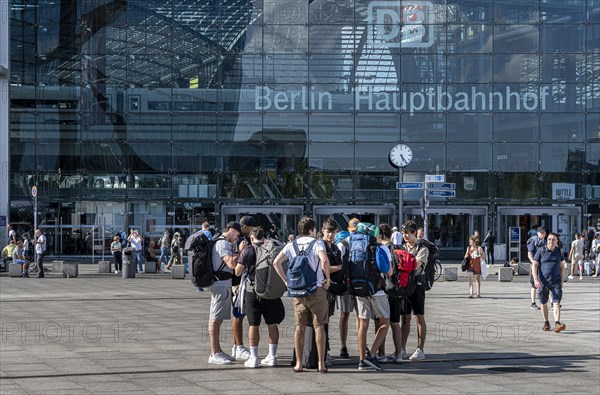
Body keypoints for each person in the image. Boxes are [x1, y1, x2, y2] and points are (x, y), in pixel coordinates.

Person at [273, 216, 330, 373]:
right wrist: (328, 279)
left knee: (300, 327)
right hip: (316, 289)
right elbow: (324, 261)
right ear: (311, 229)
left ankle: (298, 363)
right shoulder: (318, 243)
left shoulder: (291, 245)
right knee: (319, 326)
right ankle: (321, 364)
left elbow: (276, 263)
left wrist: (286, 282)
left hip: (298, 291)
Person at [235, 226, 285, 368]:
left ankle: (254, 357)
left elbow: (237, 272)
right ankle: (272, 356)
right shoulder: (272, 249)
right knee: (272, 324)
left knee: (254, 325)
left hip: (253, 292)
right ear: (264, 237)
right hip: (271, 292)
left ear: (251, 238)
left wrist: (240, 252)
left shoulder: (248, 250)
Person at [208, 221, 246, 365]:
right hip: (220, 285)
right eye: (237, 234)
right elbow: (231, 264)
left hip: (222, 284)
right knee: (215, 319)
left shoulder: (220, 242)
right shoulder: (222, 243)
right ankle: (214, 353)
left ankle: (217, 350)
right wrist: (239, 251)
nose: (237, 237)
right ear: (231, 230)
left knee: (217, 319)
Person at [398, 220, 429, 361]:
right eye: (403, 233)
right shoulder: (402, 247)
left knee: (419, 317)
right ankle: (402, 348)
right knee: (405, 318)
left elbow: (415, 265)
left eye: (408, 233)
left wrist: (403, 262)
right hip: (404, 285)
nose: (405, 236)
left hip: (417, 285)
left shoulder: (422, 248)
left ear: (414, 233)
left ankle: (420, 349)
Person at [230, 216, 256, 361]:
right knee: (238, 314)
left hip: (239, 282)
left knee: (238, 314)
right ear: (245, 227)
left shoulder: (239, 240)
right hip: (239, 282)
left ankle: (236, 346)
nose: (252, 231)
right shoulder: (241, 241)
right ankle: (238, 346)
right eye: (251, 228)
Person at [531, 232, 567, 333]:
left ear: (557, 241)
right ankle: (546, 322)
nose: (551, 241)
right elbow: (534, 265)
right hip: (543, 282)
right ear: (547, 241)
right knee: (543, 302)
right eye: (549, 239)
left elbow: (562, 266)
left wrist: (562, 280)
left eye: (553, 239)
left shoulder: (559, 251)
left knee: (556, 302)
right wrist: (536, 279)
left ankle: (557, 323)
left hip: (556, 282)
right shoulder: (541, 251)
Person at [336, 218, 359, 359]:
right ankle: (355, 345)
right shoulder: (346, 243)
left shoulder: (342, 243)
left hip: (346, 282)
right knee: (357, 316)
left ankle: (344, 346)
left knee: (346, 315)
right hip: (358, 282)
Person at [527, 227, 547, 310]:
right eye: (541, 232)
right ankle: (533, 303)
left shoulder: (546, 241)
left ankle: (553, 303)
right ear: (537, 233)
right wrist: (533, 261)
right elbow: (529, 253)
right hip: (536, 265)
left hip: (544, 265)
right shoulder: (534, 240)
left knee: (547, 283)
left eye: (544, 232)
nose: (542, 234)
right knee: (534, 284)